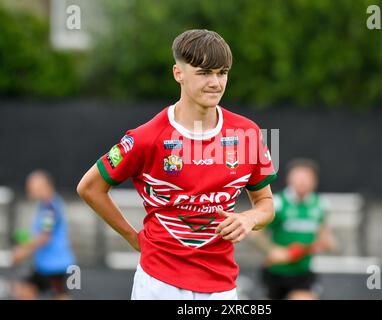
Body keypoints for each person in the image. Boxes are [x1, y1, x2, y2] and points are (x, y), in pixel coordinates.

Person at [77, 29, 277, 300]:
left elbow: (266, 203)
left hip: (222, 286)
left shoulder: (248, 133)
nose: (216, 82)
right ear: (178, 73)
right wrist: (134, 238)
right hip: (159, 283)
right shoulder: (146, 137)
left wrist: (248, 218)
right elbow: (89, 188)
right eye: (204, 73)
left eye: (222, 72)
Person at [254, 158, 337, 300]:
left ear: (314, 181)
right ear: (289, 179)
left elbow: (326, 237)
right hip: (276, 272)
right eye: (298, 176)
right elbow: (255, 233)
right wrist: (272, 250)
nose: (302, 181)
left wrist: (329, 244)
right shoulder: (278, 204)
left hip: (303, 274)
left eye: (307, 177)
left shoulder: (319, 205)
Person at [12, 170, 76, 300]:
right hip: (45, 266)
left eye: (32, 187)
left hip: (57, 268)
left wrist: (23, 251)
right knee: (24, 290)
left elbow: (44, 236)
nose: (29, 190)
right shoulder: (45, 206)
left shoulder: (50, 208)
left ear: (45, 186)